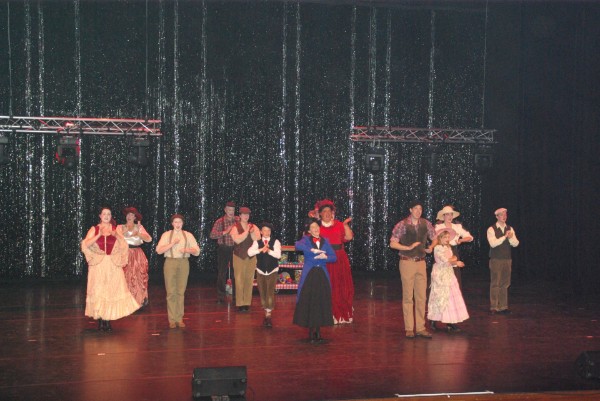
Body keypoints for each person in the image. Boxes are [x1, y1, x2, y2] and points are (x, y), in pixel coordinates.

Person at [81, 207, 140, 332]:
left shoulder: (115, 229)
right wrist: (98, 235)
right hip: (98, 264)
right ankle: (100, 320)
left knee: (110, 291)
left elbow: (123, 245)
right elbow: (85, 244)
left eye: (109, 214)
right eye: (104, 214)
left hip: (112, 264)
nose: (107, 216)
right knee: (99, 291)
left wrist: (116, 236)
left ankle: (107, 320)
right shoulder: (94, 229)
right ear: (100, 216)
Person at [389, 201, 437, 339]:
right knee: (408, 297)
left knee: (421, 297)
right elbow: (393, 243)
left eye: (420, 209)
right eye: (415, 208)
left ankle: (421, 327)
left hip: (421, 262)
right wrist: (407, 247)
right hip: (407, 262)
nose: (418, 211)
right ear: (410, 210)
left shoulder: (426, 224)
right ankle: (409, 328)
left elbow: (435, 238)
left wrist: (431, 247)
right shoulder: (402, 224)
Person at [293, 218, 337, 344]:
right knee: (310, 301)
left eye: (317, 227)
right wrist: (311, 250)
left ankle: (318, 331)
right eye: (312, 227)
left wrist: (326, 256)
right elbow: (297, 245)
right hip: (310, 274)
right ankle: (311, 331)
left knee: (320, 301)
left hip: (321, 274)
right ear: (309, 230)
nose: (315, 229)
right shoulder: (306, 240)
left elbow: (334, 257)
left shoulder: (325, 241)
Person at [156, 214, 200, 328]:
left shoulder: (188, 235)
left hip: (183, 263)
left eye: (179, 222)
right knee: (171, 292)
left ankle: (179, 319)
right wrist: (172, 244)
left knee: (180, 292)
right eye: (175, 222)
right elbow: (159, 250)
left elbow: (197, 251)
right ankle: (172, 319)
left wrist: (187, 250)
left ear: (182, 223)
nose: (178, 224)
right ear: (172, 223)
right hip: (170, 262)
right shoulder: (166, 235)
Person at [317, 199, 354, 324]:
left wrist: (345, 226)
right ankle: (325, 313)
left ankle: (340, 314)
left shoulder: (339, 224)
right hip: (323, 260)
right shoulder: (316, 226)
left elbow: (348, 237)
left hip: (339, 259)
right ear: (320, 214)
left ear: (332, 213)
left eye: (329, 211)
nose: (327, 213)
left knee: (340, 286)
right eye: (324, 211)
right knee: (325, 286)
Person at [428, 230, 469, 333]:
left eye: (448, 237)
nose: (447, 239)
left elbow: (450, 260)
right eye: (444, 237)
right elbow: (444, 260)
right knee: (440, 296)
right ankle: (433, 319)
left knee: (451, 296)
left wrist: (454, 261)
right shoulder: (437, 248)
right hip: (440, 274)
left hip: (449, 273)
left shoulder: (448, 247)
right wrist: (455, 261)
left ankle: (450, 321)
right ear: (440, 238)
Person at [248, 222, 281, 327]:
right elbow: (249, 252)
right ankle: (266, 312)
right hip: (261, 271)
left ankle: (268, 315)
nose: (267, 232)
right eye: (265, 230)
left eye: (269, 230)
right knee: (263, 293)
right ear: (261, 232)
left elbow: (278, 255)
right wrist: (261, 249)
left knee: (270, 293)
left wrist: (269, 250)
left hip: (272, 270)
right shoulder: (257, 242)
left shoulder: (275, 242)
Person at [487, 208, 519, 315]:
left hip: (507, 259)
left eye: (505, 214)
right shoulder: (491, 229)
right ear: (497, 216)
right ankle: (494, 306)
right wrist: (504, 237)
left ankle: (503, 307)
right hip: (496, 259)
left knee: (505, 283)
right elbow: (493, 244)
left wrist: (510, 238)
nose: (504, 216)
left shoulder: (510, 228)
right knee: (495, 283)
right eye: (501, 215)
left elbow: (516, 244)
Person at [119, 207, 152, 307]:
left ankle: (138, 300)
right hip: (124, 253)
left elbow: (149, 239)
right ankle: (125, 302)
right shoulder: (120, 227)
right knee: (125, 277)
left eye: (132, 215)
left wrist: (138, 233)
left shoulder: (139, 227)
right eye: (128, 214)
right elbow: (114, 239)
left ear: (135, 217)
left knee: (138, 277)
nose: (129, 216)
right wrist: (123, 232)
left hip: (137, 254)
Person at [434, 205, 473, 290]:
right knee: (443, 277)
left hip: (453, 252)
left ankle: (454, 297)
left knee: (454, 278)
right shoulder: (439, 227)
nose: (450, 216)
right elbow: (434, 239)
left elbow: (470, 237)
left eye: (451, 214)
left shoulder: (457, 227)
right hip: (442, 252)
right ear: (443, 216)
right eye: (447, 214)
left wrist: (461, 240)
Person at [230, 206, 260, 312]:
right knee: (239, 280)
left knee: (249, 279)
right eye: (244, 214)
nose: (246, 216)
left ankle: (247, 302)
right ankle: (240, 303)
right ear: (239, 215)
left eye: (247, 214)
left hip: (251, 257)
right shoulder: (235, 227)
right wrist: (247, 231)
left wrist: (252, 232)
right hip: (239, 256)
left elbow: (257, 239)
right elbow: (238, 240)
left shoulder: (254, 226)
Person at [210, 201, 237, 304]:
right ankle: (221, 297)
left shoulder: (238, 220)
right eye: (229, 210)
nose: (231, 212)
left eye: (233, 210)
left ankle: (236, 297)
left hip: (236, 249)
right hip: (223, 248)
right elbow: (212, 235)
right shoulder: (219, 221)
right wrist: (225, 232)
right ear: (225, 210)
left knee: (236, 274)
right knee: (222, 273)